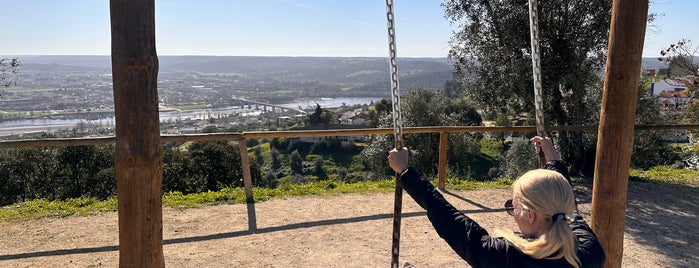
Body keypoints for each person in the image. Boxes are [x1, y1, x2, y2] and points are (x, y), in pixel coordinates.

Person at [387, 136, 605, 268]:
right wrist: (553, 161)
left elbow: (449, 219)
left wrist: (405, 172)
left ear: (530, 214)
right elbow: (565, 204)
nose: (511, 211)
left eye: (513, 207)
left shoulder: (507, 258)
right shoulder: (590, 251)